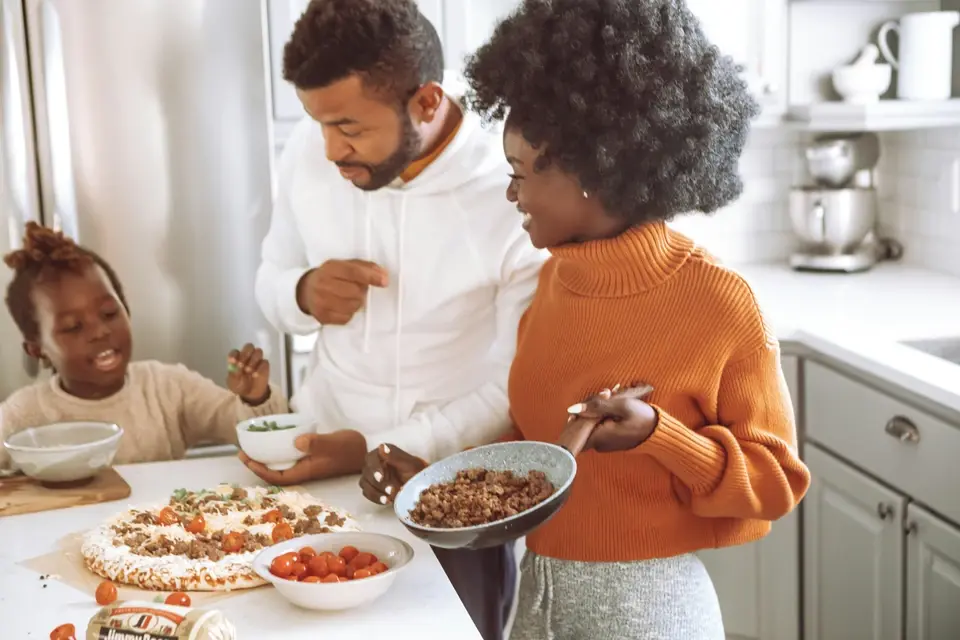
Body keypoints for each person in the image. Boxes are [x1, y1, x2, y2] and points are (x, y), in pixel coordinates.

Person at [361, 0, 812, 638]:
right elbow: (543, 450)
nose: (511, 194)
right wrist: (437, 480)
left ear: (594, 173)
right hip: (540, 600)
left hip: (650, 615)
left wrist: (658, 434)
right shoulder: (554, 280)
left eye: (520, 174)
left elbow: (775, 483)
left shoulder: (715, 301)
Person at [248, 2, 543, 638]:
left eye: (349, 127)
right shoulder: (312, 145)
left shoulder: (513, 190)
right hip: (315, 479)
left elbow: (511, 385)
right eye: (318, 123)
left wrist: (377, 445)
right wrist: (301, 293)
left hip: (448, 495)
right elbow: (269, 278)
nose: (329, 149)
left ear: (427, 102)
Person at [0, 223, 287, 469]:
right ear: (37, 349)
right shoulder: (23, 415)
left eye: (110, 313)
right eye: (74, 327)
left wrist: (255, 398)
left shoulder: (168, 388)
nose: (100, 331)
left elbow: (251, 433)